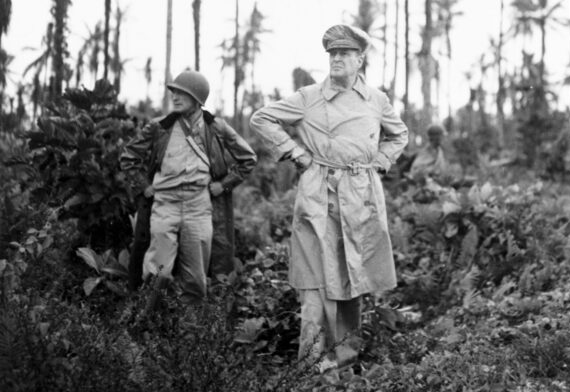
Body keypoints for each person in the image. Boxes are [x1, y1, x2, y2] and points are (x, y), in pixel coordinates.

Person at [250, 24, 408, 370]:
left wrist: (380, 162)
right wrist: (297, 154)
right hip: (319, 195)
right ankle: (312, 364)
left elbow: (399, 135)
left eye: (345, 54)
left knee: (353, 279)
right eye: (333, 54)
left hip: (361, 196)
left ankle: (346, 359)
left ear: (360, 60)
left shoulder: (376, 100)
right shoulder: (309, 97)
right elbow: (262, 118)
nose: (336, 59)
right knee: (315, 282)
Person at [121, 69, 257, 304]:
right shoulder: (158, 127)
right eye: (173, 92)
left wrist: (223, 185)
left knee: (195, 279)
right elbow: (128, 157)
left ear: (197, 99)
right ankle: (148, 327)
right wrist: (144, 186)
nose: (175, 97)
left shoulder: (216, 127)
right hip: (165, 204)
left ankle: (189, 333)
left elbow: (248, 159)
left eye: (182, 93)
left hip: (199, 206)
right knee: (157, 274)